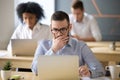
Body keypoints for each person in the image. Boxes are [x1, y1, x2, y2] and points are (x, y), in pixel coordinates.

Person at [31, 11, 105, 78]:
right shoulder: (43, 45)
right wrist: (53, 50)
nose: (59, 34)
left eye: (63, 29)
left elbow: (100, 70)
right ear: (51, 28)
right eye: (55, 30)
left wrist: (89, 73)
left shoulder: (81, 46)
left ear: (70, 27)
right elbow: (35, 70)